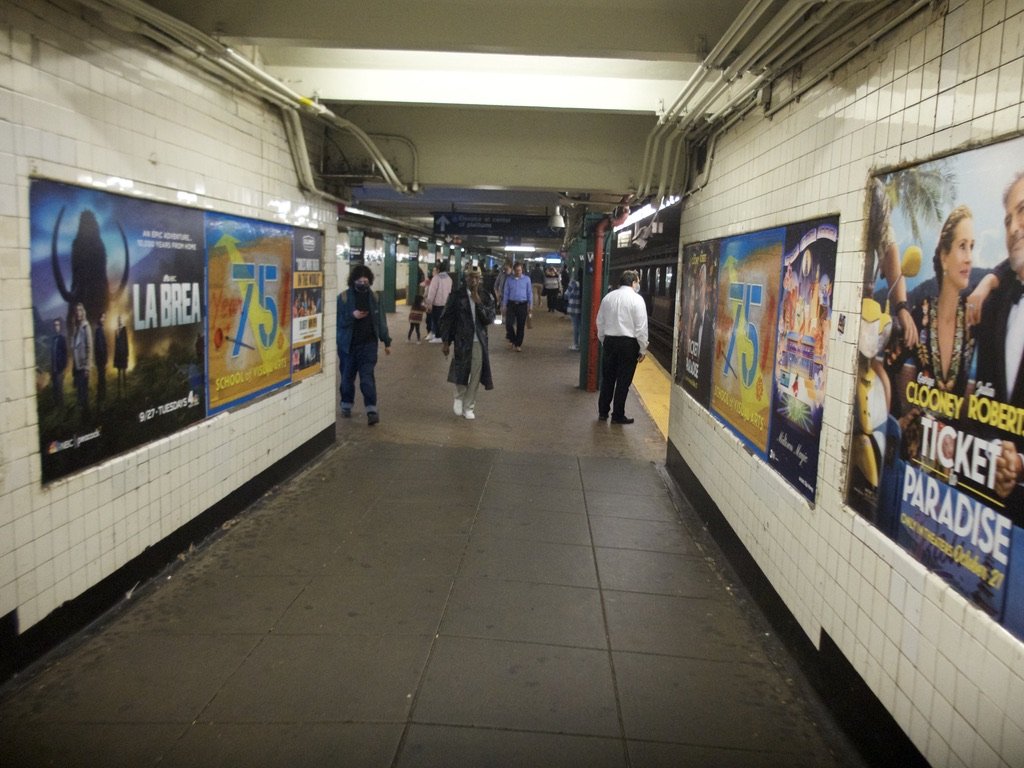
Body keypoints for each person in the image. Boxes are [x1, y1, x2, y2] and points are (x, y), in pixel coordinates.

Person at [975, 171, 1024, 512]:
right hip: (990, 512)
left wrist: (1020, 462)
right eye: (1008, 219)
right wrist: (994, 454)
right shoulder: (996, 303)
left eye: (1023, 212)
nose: (1013, 228)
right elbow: (983, 402)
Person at [337, 264, 392, 425]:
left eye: (365, 280)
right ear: (353, 281)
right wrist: (351, 315)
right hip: (348, 346)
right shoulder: (343, 298)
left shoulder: (375, 298)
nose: (363, 283)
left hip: (368, 345)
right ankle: (346, 405)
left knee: (367, 378)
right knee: (347, 377)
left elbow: (381, 321)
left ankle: (371, 410)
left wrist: (386, 341)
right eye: (360, 280)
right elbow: (337, 320)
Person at [440, 265, 496, 420]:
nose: (474, 280)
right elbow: (447, 318)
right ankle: (459, 397)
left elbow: (489, 319)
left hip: (479, 341)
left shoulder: (486, 296)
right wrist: (446, 341)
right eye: (471, 277)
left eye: (477, 277)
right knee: (461, 369)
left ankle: (469, 406)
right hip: (462, 339)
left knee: (476, 375)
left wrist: (478, 303)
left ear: (480, 279)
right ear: (466, 278)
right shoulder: (457, 296)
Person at [596, 269, 648, 424]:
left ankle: (603, 412)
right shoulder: (637, 300)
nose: (638, 284)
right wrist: (642, 348)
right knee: (623, 381)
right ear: (633, 282)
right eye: (637, 281)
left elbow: (600, 322)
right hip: (628, 345)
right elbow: (641, 327)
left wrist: (604, 340)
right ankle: (618, 415)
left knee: (607, 379)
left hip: (610, 342)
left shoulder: (608, 298)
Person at [501, 261, 533, 351]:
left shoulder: (527, 279)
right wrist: (504, 305)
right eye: (517, 270)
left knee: (520, 325)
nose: (518, 272)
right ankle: (513, 339)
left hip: (522, 304)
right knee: (509, 324)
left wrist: (530, 306)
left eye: (520, 270)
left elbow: (529, 293)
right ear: (514, 271)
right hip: (511, 304)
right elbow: (506, 293)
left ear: (522, 270)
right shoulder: (509, 280)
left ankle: (518, 344)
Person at [70, 302, 91, 415]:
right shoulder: (76, 328)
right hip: (77, 367)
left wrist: (87, 367)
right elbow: (74, 348)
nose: (78, 312)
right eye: (76, 310)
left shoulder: (86, 327)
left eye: (80, 310)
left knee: (84, 394)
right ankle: (83, 419)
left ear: (83, 312)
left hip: (83, 367)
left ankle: (87, 419)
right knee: (79, 393)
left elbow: (89, 347)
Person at [424, 262, 453, 343]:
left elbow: (432, 292)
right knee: (443, 321)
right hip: (446, 303)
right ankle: (441, 335)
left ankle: (438, 336)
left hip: (437, 304)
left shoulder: (436, 278)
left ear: (438, 269)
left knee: (436, 320)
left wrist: (429, 303)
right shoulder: (449, 279)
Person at [51, 318, 67, 409]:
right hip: (54, 368)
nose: (56, 327)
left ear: (60, 327)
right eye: (55, 325)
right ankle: (56, 405)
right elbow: (52, 354)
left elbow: (65, 353)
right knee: (55, 388)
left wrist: (63, 367)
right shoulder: (53, 339)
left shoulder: (62, 339)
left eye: (57, 325)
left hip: (59, 368)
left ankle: (61, 407)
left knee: (59, 388)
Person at [564, 269, 582, 351]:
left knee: (575, 327)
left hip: (573, 308)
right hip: (581, 308)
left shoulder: (573, 283)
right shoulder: (584, 283)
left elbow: (566, 294)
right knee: (580, 326)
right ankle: (581, 343)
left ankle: (576, 344)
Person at [94, 312, 108, 406]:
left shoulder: (100, 330)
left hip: (100, 360)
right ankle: (101, 397)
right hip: (101, 360)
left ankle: (101, 396)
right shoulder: (99, 330)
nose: (104, 319)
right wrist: (104, 359)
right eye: (102, 317)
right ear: (99, 319)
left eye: (104, 317)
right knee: (101, 378)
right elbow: (100, 347)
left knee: (101, 377)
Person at [113, 314, 129, 397]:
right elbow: (116, 344)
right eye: (118, 319)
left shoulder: (124, 329)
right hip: (118, 355)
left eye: (120, 319)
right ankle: (119, 392)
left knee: (124, 373)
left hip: (123, 354)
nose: (119, 321)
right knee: (118, 373)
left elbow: (126, 342)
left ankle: (125, 391)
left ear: (121, 320)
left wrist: (127, 354)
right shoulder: (116, 330)